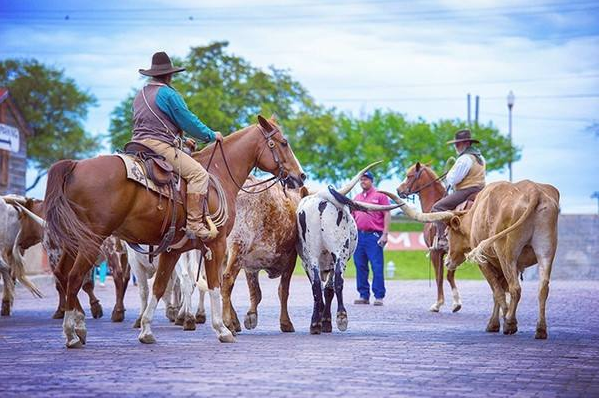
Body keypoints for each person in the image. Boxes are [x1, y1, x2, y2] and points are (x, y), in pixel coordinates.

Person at [132, 51, 224, 240]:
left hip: (136, 145)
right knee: (199, 175)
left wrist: (181, 142)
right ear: (169, 75)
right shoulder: (168, 93)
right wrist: (211, 135)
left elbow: (155, 123)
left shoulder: (140, 94)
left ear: (152, 74)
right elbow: (189, 121)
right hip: (158, 147)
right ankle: (194, 224)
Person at [432, 128, 486, 250]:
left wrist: (448, 175)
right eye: (456, 144)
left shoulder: (464, 159)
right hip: (480, 189)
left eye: (458, 143)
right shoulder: (480, 157)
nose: (456, 146)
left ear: (466, 143)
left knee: (437, 207)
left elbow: (453, 180)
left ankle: (442, 239)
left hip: (466, 191)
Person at [352, 171, 391, 306]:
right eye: (361, 179)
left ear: (372, 181)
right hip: (359, 236)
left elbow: (387, 214)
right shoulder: (356, 197)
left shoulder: (380, 196)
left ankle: (379, 296)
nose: (363, 181)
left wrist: (385, 234)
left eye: (366, 179)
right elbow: (351, 217)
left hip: (374, 236)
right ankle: (363, 295)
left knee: (376, 266)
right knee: (360, 266)